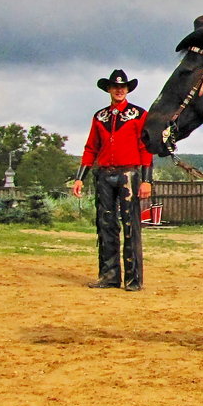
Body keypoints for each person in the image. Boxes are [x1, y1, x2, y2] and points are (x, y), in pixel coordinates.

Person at [72, 69, 153, 291]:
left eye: (123, 86)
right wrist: (80, 178)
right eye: (115, 86)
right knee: (105, 225)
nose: (119, 90)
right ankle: (109, 276)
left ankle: (133, 279)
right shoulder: (99, 117)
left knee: (130, 225)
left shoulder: (139, 114)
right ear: (109, 89)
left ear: (127, 89)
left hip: (129, 173)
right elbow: (91, 148)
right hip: (104, 174)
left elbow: (145, 148)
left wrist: (147, 180)